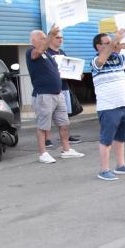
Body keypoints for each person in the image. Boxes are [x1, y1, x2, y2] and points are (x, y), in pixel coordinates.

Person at [27, 26, 84, 164]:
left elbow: (60, 71)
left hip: (58, 94)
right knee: (43, 125)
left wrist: (75, 74)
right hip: (43, 95)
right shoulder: (32, 52)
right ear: (33, 40)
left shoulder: (48, 55)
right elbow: (39, 51)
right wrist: (51, 34)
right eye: (42, 38)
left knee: (64, 123)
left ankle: (66, 149)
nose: (45, 40)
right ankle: (43, 153)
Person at [91, 29, 125, 181]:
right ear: (98, 46)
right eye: (106, 43)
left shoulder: (118, 57)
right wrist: (114, 41)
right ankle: (104, 169)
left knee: (121, 137)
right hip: (108, 106)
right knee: (107, 139)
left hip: (122, 103)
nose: (112, 45)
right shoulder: (96, 60)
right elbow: (101, 59)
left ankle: (120, 165)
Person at [43, 30, 81, 148]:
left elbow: (68, 68)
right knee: (47, 115)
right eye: (57, 37)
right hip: (50, 89)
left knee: (64, 115)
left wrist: (76, 74)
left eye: (61, 37)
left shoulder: (62, 52)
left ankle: (65, 137)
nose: (60, 39)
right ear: (50, 38)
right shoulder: (45, 52)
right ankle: (46, 139)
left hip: (63, 87)